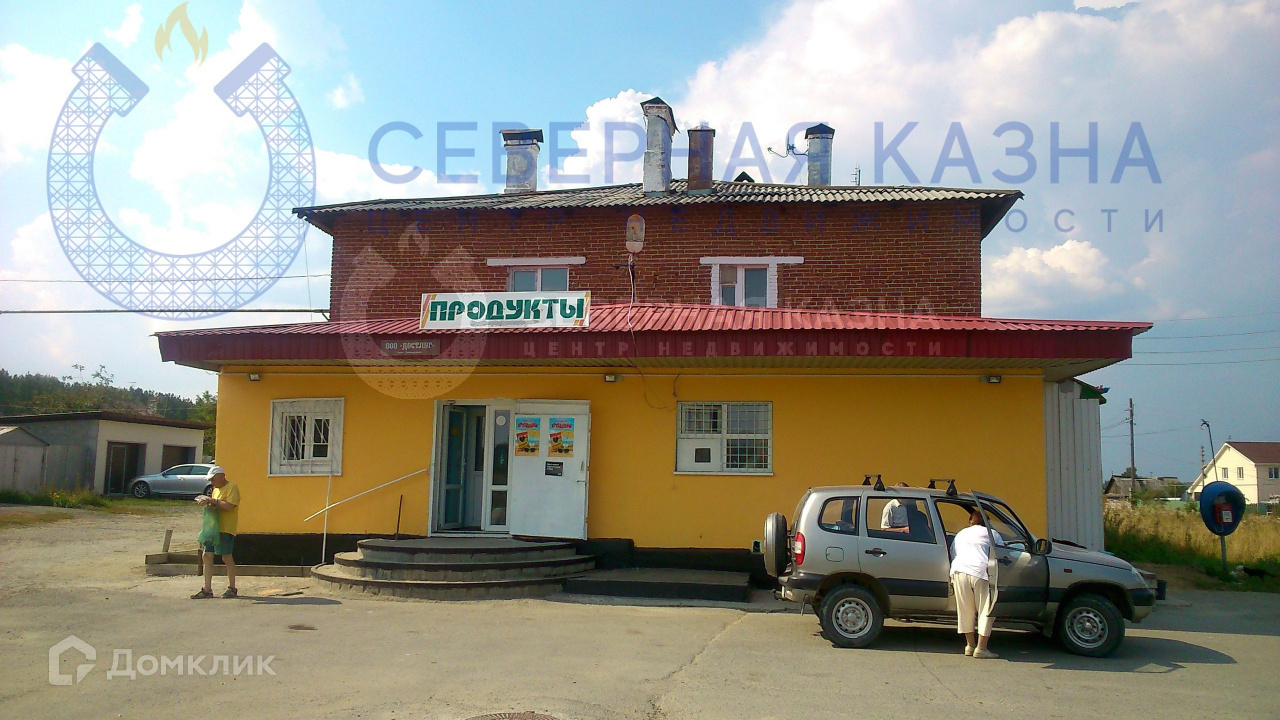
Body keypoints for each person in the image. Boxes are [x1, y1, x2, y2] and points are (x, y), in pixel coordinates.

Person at [950, 507, 1002, 658]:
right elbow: (1001, 553)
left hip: (959, 571)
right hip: (980, 572)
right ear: (987, 522)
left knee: (965, 609)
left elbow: (953, 553)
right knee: (986, 609)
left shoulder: (961, 534)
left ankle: (970, 645)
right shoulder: (992, 533)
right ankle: (981, 648)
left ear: (970, 522)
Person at [191, 466, 240, 599]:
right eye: (210, 480)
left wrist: (212, 501)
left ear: (222, 476)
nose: (212, 482)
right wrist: (208, 503)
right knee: (206, 555)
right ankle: (207, 589)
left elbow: (229, 506)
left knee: (226, 556)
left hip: (225, 527)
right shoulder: (216, 490)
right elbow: (216, 505)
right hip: (213, 528)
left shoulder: (232, 487)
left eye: (213, 479)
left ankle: (232, 587)